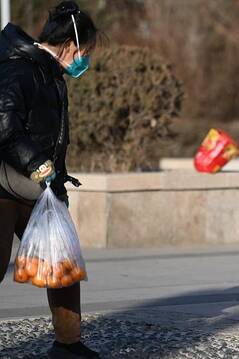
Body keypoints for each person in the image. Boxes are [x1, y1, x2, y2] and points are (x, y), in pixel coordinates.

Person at [0, 1, 100, 357]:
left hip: (38, 186)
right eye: (85, 52)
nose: (84, 61)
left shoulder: (52, 76)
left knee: (62, 262)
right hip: (4, 186)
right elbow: (4, 126)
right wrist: (37, 162)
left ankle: (67, 344)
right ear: (71, 46)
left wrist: (55, 182)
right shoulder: (18, 69)